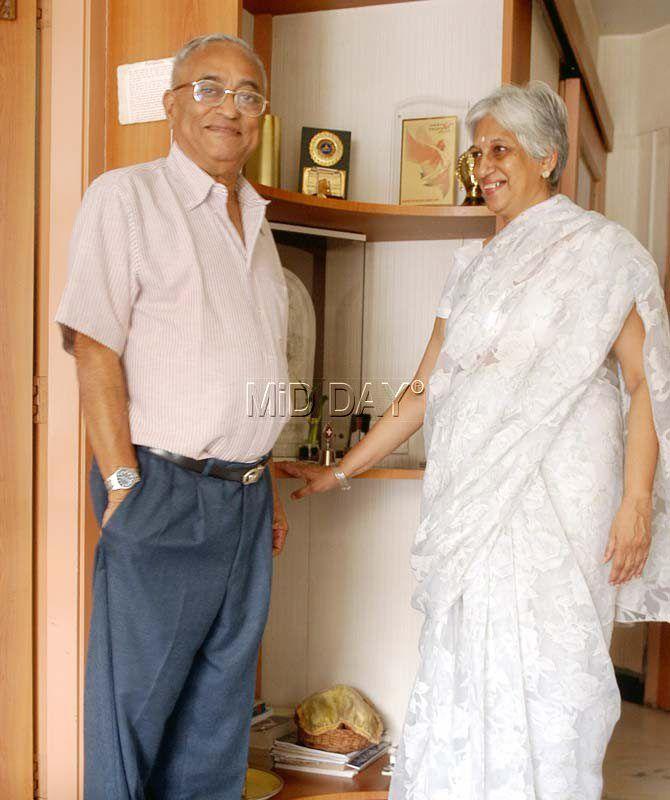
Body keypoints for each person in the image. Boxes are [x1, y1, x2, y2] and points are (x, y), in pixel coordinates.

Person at [278, 82, 670, 799]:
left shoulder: (604, 253)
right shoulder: (472, 268)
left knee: (554, 676)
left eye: (502, 149)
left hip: (562, 504)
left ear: (548, 157)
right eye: (477, 151)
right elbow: (423, 389)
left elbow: (648, 384)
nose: (483, 165)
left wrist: (638, 502)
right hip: (472, 502)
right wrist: (344, 471)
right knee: (466, 668)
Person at [56, 33, 290, 800]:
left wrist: (268, 487)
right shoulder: (125, 197)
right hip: (163, 489)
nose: (230, 108)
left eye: (248, 94)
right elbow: (95, 349)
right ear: (171, 104)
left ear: (262, 115)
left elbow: (256, 369)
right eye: (209, 88)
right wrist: (123, 482)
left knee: (219, 716)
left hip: (247, 504)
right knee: (135, 714)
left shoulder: (259, 224)